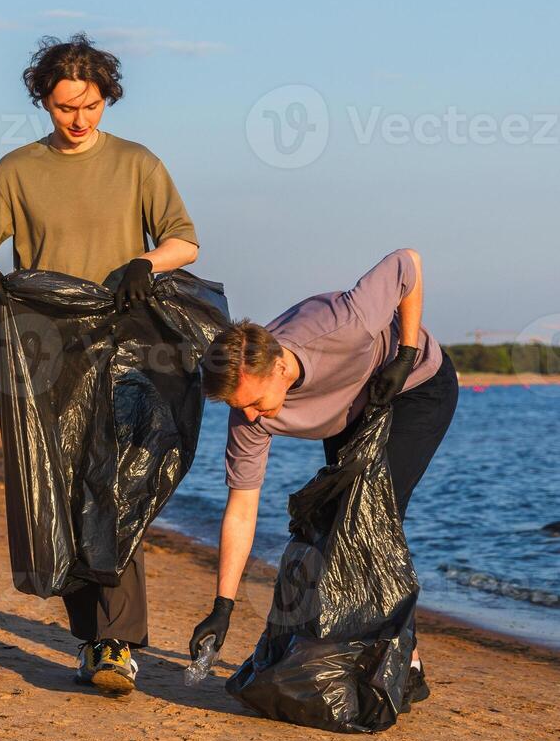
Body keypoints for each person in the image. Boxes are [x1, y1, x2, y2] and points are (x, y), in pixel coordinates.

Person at [0, 33, 201, 697]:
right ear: (44, 101)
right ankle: (93, 640)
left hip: (125, 352)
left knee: (117, 491)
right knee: (61, 495)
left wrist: (150, 261)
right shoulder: (18, 170)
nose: (78, 119)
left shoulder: (138, 164)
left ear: (106, 97)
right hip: (47, 353)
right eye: (64, 107)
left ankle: (119, 645)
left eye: (89, 105)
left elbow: (184, 238)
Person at [189, 249, 457, 706]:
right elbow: (242, 506)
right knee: (336, 522)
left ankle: (405, 664)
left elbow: (407, 263)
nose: (251, 417)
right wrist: (222, 606)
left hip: (414, 388)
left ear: (277, 366)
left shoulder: (342, 322)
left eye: (255, 403)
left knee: (371, 519)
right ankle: (383, 652)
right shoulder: (248, 414)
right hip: (349, 413)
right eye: (240, 409)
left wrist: (405, 354)